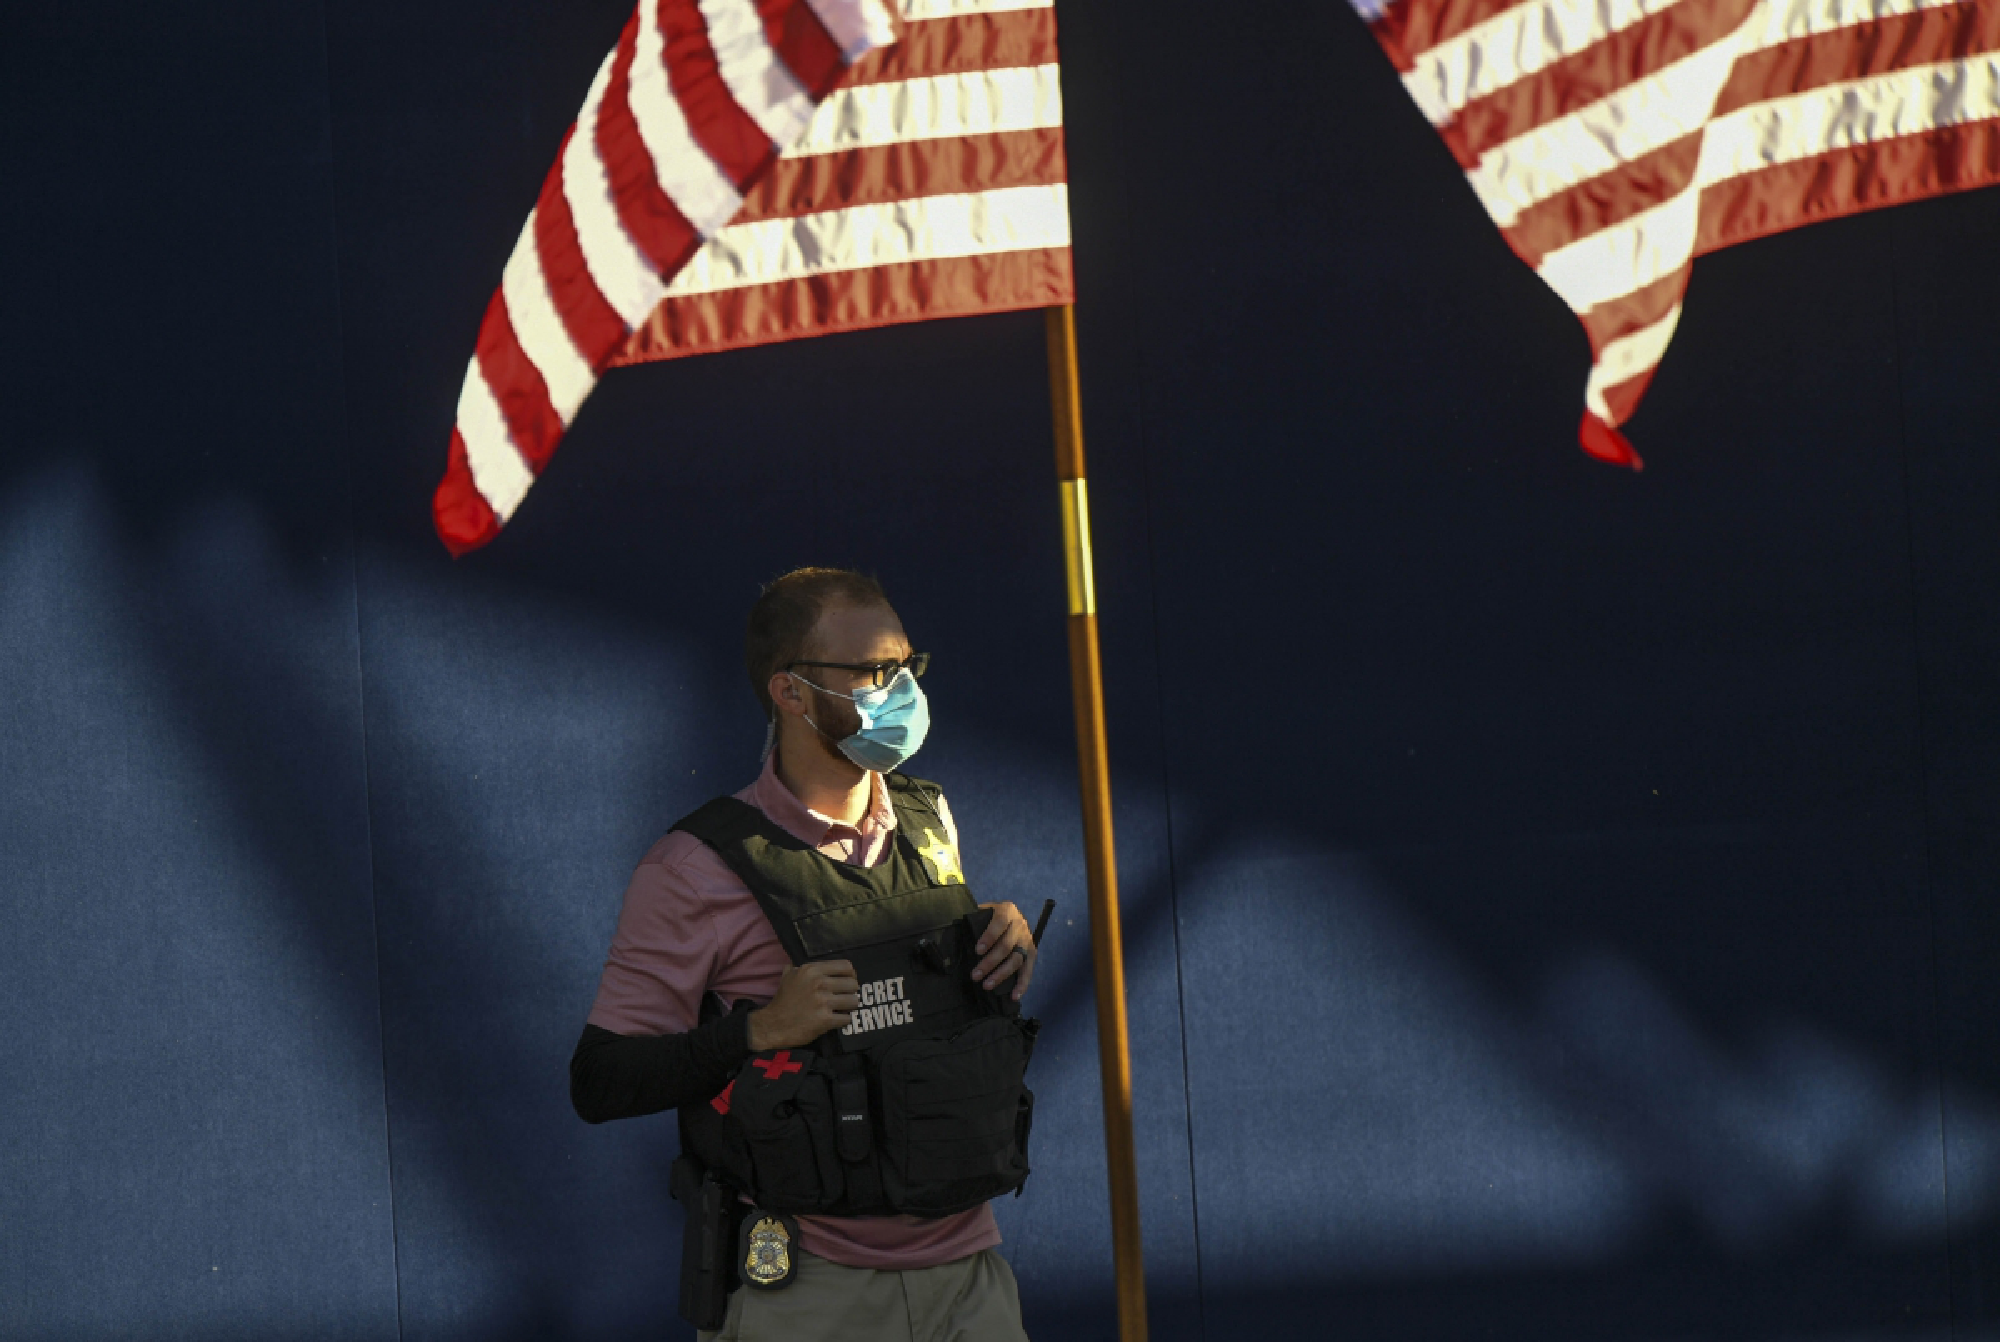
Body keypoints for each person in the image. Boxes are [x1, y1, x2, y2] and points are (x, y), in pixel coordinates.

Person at [570, 567, 1041, 1342]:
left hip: (972, 1282)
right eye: (873, 673)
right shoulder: (695, 867)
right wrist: (753, 1031)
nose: (900, 692)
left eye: (906, 667)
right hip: (810, 1294)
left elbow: (933, 1020)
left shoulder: (930, 821)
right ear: (790, 693)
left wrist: (996, 944)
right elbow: (599, 1081)